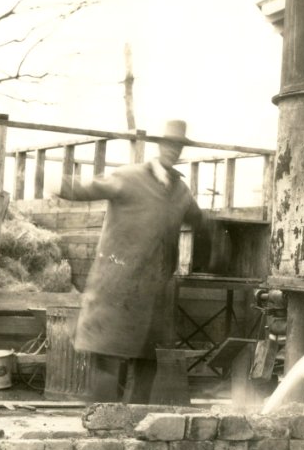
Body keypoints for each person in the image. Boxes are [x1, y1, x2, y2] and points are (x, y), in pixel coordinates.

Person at [56, 119, 203, 402]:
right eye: (169, 144)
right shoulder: (129, 177)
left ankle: (134, 432)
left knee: (147, 362)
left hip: (152, 292)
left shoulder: (180, 192)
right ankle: (101, 431)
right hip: (117, 286)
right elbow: (88, 189)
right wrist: (56, 184)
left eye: (179, 146)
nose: (173, 150)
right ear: (160, 145)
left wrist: (222, 241)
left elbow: (200, 221)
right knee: (108, 361)